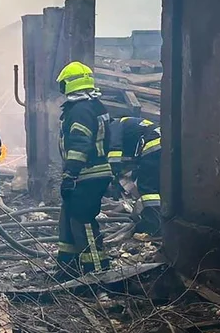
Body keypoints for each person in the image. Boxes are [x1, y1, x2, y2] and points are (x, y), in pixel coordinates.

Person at [55, 61, 114, 280]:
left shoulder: (80, 110)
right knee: (69, 218)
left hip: (87, 175)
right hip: (88, 174)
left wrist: (71, 174)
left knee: (83, 219)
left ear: (69, 84)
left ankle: (98, 270)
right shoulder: (92, 106)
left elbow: (80, 144)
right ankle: (68, 267)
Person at [108, 117, 162, 236]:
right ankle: (163, 220)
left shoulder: (113, 126)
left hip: (152, 147)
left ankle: (153, 225)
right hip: (165, 146)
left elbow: (114, 151)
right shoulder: (131, 123)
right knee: (159, 186)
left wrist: (114, 175)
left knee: (148, 190)